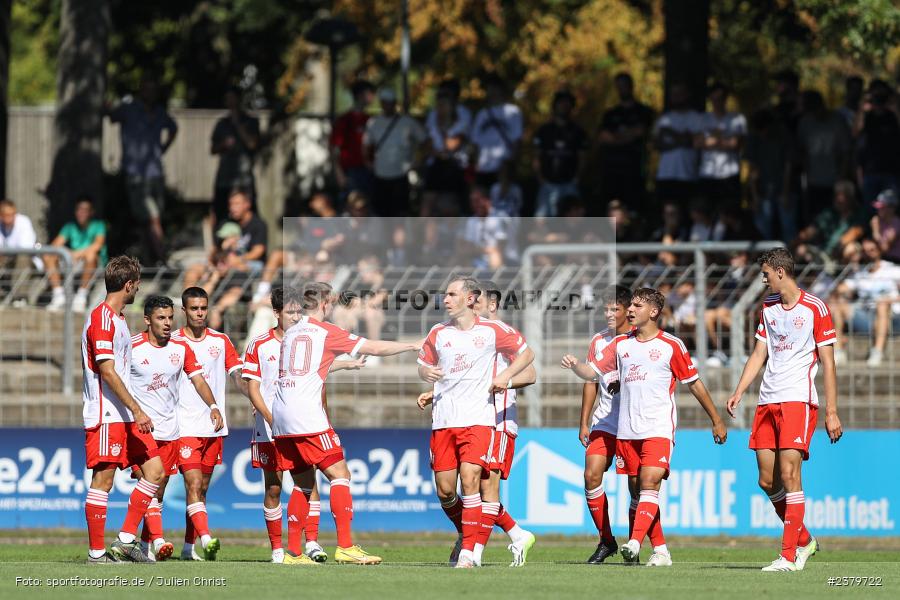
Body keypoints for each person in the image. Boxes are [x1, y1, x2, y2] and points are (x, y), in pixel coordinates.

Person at [272, 282, 420, 564]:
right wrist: (412, 345)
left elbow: (309, 366)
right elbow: (373, 347)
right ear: (325, 303)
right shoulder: (326, 332)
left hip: (281, 416)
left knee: (303, 483)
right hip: (307, 416)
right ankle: (346, 546)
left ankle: (293, 553)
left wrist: (341, 364)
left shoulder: (291, 332)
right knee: (340, 474)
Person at [585, 287, 727, 567]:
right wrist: (577, 367)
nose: (630, 310)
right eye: (630, 305)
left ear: (653, 311)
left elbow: (694, 383)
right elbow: (593, 374)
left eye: (636, 306)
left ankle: (634, 542)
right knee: (637, 490)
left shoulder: (671, 345)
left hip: (658, 427)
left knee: (649, 483)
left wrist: (717, 419)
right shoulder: (621, 344)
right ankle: (660, 550)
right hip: (627, 429)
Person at [727, 247, 842, 572]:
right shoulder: (768, 307)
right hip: (767, 399)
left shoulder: (815, 307)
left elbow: (829, 362)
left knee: (790, 476)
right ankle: (805, 540)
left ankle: (788, 556)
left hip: (797, 401)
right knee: (767, 481)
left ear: (780, 272)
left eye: (765, 274)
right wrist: (739, 390)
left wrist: (832, 410)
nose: (763, 280)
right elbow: (759, 354)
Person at [242, 286, 366, 564]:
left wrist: (344, 365)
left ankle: (311, 543)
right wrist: (271, 419)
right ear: (276, 313)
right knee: (274, 487)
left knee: (309, 483)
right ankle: (278, 549)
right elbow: (253, 388)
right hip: (270, 424)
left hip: (299, 423)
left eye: (299, 311)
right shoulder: (260, 345)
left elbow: (316, 370)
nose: (295, 317)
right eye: (289, 312)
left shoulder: (305, 337)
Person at [417, 276, 535, 568]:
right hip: (444, 420)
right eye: (445, 294)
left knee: (475, 482)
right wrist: (429, 379)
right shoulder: (438, 332)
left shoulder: (494, 332)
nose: (445, 299)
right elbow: (426, 365)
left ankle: (470, 553)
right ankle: (497, 533)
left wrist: (506, 378)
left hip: (484, 419)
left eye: (451, 294)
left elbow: (529, 361)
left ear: (471, 299)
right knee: (446, 490)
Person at [81, 255, 162, 563]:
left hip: (126, 415)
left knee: (155, 471)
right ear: (128, 285)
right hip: (107, 414)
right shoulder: (101, 319)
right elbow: (107, 370)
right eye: (137, 285)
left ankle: (126, 539)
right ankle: (96, 553)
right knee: (103, 480)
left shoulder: (119, 320)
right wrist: (137, 409)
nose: (138, 290)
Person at [130, 295, 223, 561]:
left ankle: (144, 546)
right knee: (151, 484)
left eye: (170, 317)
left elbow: (199, 380)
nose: (167, 323)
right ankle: (157, 540)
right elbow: (113, 378)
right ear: (147, 320)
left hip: (170, 431)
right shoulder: (132, 347)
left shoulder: (180, 349)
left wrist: (213, 406)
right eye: (161, 318)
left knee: (158, 490)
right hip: (141, 431)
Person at [559, 285, 637, 564]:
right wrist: (584, 422)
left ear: (628, 310)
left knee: (637, 487)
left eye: (615, 309)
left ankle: (635, 545)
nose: (609, 314)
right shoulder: (598, 340)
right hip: (604, 422)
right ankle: (606, 540)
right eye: (606, 309)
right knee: (591, 475)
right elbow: (591, 380)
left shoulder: (638, 339)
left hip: (633, 423)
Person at [171, 286, 248, 561]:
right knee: (192, 485)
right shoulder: (173, 342)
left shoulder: (221, 341)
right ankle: (206, 539)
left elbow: (237, 375)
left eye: (203, 308)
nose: (199, 313)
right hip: (184, 425)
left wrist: (253, 396)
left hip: (213, 427)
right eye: (194, 308)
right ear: (184, 311)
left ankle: (188, 548)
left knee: (201, 490)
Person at [107, 79, 177, 264]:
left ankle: (151, 259)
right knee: (151, 217)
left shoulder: (159, 111)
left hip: (155, 172)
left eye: (153, 90)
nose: (150, 93)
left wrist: (162, 148)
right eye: (147, 89)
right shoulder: (129, 109)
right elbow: (111, 116)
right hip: (136, 173)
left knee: (151, 219)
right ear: (141, 91)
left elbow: (173, 128)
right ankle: (161, 259)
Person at [829, 239, 900, 367]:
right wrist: (850, 265)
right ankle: (838, 351)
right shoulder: (860, 273)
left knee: (882, 304)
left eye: (872, 250)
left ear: (879, 250)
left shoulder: (892, 269)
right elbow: (837, 290)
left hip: (892, 318)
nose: (869, 253)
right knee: (837, 305)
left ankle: (877, 352)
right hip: (866, 317)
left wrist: (889, 299)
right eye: (865, 251)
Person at [363, 87, 427, 217]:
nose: (387, 106)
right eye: (385, 102)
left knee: (400, 213)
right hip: (380, 175)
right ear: (381, 103)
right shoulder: (373, 123)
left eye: (390, 102)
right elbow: (366, 145)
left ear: (395, 103)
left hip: (401, 175)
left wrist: (418, 160)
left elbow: (425, 140)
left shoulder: (407, 122)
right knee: (381, 213)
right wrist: (367, 162)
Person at [597, 73, 655, 210]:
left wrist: (615, 137)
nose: (621, 89)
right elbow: (603, 137)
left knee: (635, 209)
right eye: (618, 86)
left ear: (631, 86)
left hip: (635, 169)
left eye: (624, 85)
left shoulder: (643, 111)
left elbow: (641, 132)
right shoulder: (610, 114)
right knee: (612, 209)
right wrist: (629, 135)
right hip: (612, 170)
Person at [796, 90, 852, 223]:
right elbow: (801, 151)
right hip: (813, 180)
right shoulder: (805, 122)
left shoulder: (838, 120)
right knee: (815, 217)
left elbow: (847, 152)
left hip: (835, 180)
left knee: (836, 217)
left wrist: (842, 177)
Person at [45, 196, 107, 311]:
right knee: (48, 255)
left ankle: (81, 296)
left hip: (93, 265)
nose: (81, 213)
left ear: (91, 212)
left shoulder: (99, 225)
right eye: (79, 209)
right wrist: (67, 252)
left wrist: (76, 254)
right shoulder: (69, 226)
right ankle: (58, 295)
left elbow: (97, 245)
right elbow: (54, 246)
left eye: (85, 210)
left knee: (90, 255)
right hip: (74, 262)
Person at [211, 86, 260, 227]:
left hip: (244, 178)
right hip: (224, 177)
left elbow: (252, 144)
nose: (230, 102)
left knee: (247, 214)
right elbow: (213, 149)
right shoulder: (221, 124)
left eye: (232, 98)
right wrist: (224, 144)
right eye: (228, 99)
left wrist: (237, 124)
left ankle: (248, 238)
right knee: (221, 214)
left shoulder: (250, 121)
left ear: (239, 100)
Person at [532, 90, 587, 217]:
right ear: (554, 105)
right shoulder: (544, 131)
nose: (564, 106)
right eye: (561, 102)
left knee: (574, 222)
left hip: (570, 184)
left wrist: (577, 178)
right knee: (541, 222)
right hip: (548, 185)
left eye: (567, 103)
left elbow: (583, 158)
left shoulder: (578, 132)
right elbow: (536, 157)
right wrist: (541, 179)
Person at [653, 83, 704, 206]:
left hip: (688, 175)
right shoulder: (664, 119)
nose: (677, 97)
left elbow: (696, 142)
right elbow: (657, 145)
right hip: (665, 174)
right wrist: (684, 138)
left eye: (680, 93)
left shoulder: (697, 118)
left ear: (687, 95)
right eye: (674, 94)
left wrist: (670, 133)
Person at [470, 74, 523, 188]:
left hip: (504, 166)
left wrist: (512, 163)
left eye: (495, 88)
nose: (492, 91)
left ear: (501, 90)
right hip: (484, 166)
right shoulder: (482, 114)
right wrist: (476, 163)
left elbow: (517, 140)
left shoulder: (513, 112)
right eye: (490, 88)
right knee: (483, 198)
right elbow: (475, 142)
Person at [697, 83, 746, 205]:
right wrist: (725, 139)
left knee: (730, 210)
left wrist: (711, 139)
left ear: (725, 99)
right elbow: (697, 143)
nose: (717, 102)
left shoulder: (737, 119)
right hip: (707, 174)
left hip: (730, 174)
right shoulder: (702, 119)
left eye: (720, 99)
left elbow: (735, 145)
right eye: (714, 99)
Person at [793, 180, 867, 258]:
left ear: (850, 198)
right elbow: (811, 231)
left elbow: (855, 232)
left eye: (841, 200)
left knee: (850, 249)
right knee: (801, 250)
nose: (838, 201)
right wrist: (795, 242)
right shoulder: (829, 213)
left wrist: (838, 248)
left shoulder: (860, 213)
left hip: (842, 252)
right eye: (836, 197)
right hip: (824, 251)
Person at [854, 80, 900, 203]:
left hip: (892, 171)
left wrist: (895, 108)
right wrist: (862, 107)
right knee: (870, 209)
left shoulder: (893, 116)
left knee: (891, 208)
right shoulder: (866, 116)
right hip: (870, 172)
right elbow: (855, 132)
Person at [331, 80, 375, 201]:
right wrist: (339, 173)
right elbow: (335, 148)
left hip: (369, 171)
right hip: (351, 171)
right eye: (370, 93)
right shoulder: (345, 120)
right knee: (352, 205)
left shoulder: (371, 120)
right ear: (360, 95)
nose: (373, 97)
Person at [0, 198, 41, 273]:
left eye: (12, 214)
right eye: (5, 215)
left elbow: (25, 248)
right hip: (7, 260)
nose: (9, 218)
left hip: (28, 260)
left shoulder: (23, 222)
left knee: (22, 259)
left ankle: (19, 282)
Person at [871, 189, 900, 263]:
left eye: (882, 207)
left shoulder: (896, 223)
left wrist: (876, 231)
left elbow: (885, 248)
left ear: (891, 208)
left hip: (895, 262)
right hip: (884, 261)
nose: (879, 210)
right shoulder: (878, 221)